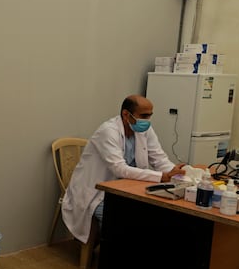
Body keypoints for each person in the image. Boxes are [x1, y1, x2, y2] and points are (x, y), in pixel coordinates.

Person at [61, 94, 185, 244]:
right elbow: (119, 169)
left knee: (154, 214)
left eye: (150, 116)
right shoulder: (108, 131)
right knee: (119, 219)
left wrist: (176, 172)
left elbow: (159, 158)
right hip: (97, 191)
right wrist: (161, 176)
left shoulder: (145, 130)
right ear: (126, 114)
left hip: (128, 187)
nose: (147, 121)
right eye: (143, 116)